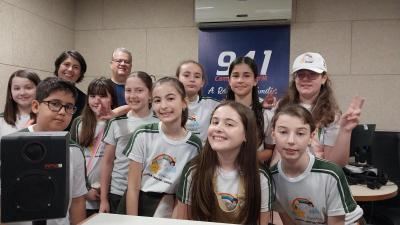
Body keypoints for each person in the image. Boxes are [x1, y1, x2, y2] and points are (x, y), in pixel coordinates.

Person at [175, 101, 272, 224]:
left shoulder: (261, 176)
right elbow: (183, 221)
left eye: (229, 124)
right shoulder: (193, 169)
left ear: (246, 135)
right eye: (215, 122)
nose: (218, 128)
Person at [270, 104, 364, 225]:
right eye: (283, 132)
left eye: (300, 133)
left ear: (311, 137)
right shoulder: (272, 177)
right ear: (273, 135)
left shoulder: (331, 174)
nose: (291, 141)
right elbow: (288, 221)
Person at [123, 77, 201, 217]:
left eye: (170, 98)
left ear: (184, 103)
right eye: (157, 100)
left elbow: (188, 192)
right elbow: (133, 187)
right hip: (139, 204)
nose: (163, 106)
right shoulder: (143, 134)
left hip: (172, 208)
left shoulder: (194, 145)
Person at [271, 52, 364, 166]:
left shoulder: (331, 115)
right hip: (279, 175)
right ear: (295, 79)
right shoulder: (281, 106)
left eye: (312, 74)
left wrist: (346, 131)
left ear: (323, 78)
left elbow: (336, 163)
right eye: (300, 74)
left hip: (313, 178)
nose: (305, 78)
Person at [15, 77, 87, 224]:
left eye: (69, 107)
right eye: (55, 104)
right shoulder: (12, 145)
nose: (62, 112)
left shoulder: (74, 150)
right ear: (35, 106)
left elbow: (77, 200)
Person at [99, 71, 159, 213]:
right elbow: (107, 162)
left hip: (148, 192)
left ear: (150, 94)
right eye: (128, 90)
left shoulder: (160, 121)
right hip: (118, 191)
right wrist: (103, 199)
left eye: (139, 90)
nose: (133, 95)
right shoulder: (116, 121)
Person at [70, 77, 117, 216]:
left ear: (112, 99)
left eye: (103, 96)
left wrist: (106, 189)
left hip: (109, 193)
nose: (97, 100)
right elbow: (72, 160)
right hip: (82, 194)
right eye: (92, 96)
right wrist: (85, 189)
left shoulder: (117, 123)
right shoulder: (79, 123)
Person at [226, 56, 274, 162]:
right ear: (229, 80)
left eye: (246, 76)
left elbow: (270, 151)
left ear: (255, 81)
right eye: (235, 75)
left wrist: (245, 159)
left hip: (255, 173)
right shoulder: (220, 113)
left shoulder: (266, 115)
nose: (240, 80)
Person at [175, 60, 219, 144]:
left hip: (203, 155)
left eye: (197, 76)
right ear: (177, 79)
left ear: (202, 82)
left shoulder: (214, 105)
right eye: (186, 75)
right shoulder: (168, 105)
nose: (192, 79)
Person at [0, 70, 40, 138]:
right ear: (10, 92)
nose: (22, 93)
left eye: (28, 88)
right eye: (17, 88)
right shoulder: (1, 120)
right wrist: (23, 134)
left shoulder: (47, 118)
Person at [54, 50, 87, 130]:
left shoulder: (85, 100)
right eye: (66, 64)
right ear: (58, 67)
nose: (70, 69)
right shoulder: (43, 92)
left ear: (80, 73)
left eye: (76, 67)